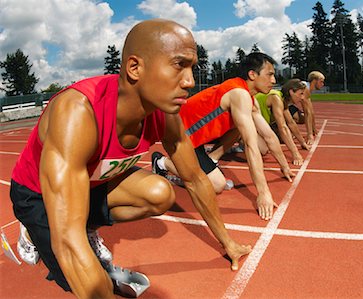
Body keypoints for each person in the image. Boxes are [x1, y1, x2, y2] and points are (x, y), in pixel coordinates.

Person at [9, 19, 251, 298]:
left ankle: (86, 224)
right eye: (178, 65)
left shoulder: (165, 112)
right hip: (37, 194)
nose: (190, 81)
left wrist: (228, 243)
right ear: (135, 68)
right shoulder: (78, 112)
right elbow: (67, 241)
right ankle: (33, 228)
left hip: (93, 183)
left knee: (160, 193)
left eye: (192, 68)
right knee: (74, 279)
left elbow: (195, 178)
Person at [152, 52, 296, 221]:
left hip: (199, 138)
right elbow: (250, 145)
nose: (273, 80)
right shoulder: (239, 94)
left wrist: (284, 166)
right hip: (179, 135)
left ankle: (211, 159)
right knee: (217, 185)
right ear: (252, 74)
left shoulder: (249, 98)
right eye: (270, 74)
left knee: (240, 127)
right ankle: (161, 162)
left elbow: (269, 136)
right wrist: (263, 193)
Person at [254, 79, 311, 166]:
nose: (302, 97)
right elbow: (283, 127)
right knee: (263, 149)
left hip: (256, 124)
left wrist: (302, 142)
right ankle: (240, 139)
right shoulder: (276, 98)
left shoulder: (283, 101)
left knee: (266, 146)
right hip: (244, 121)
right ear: (291, 92)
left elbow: (291, 123)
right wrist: (295, 154)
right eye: (301, 94)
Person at [288, 71, 325, 145]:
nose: (323, 84)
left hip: (288, 106)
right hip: (281, 106)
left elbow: (311, 111)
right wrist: (310, 135)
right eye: (321, 82)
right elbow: (307, 112)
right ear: (314, 81)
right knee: (303, 117)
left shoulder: (306, 88)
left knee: (302, 118)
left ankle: (287, 130)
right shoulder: (304, 88)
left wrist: (314, 128)